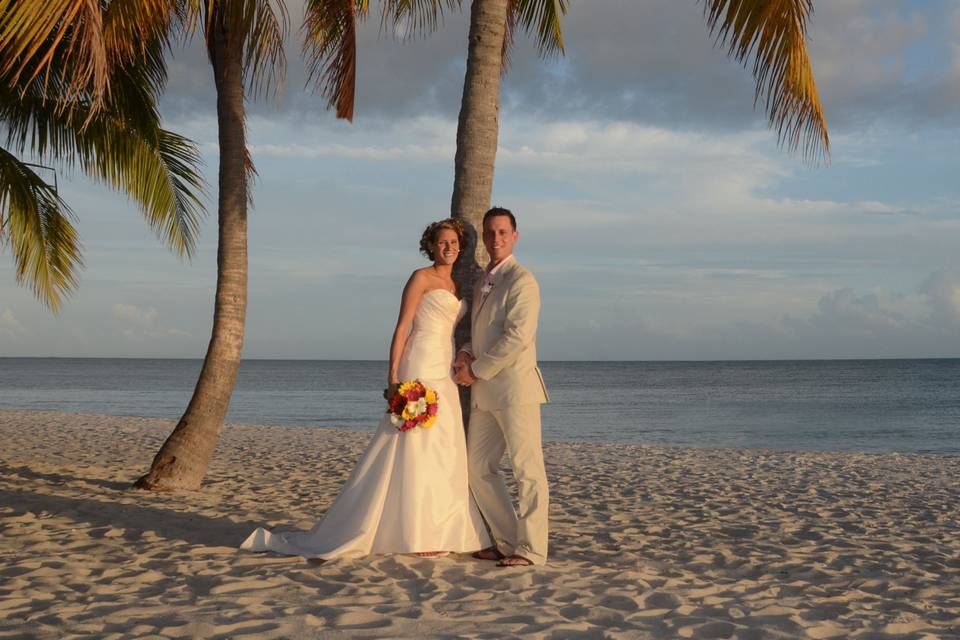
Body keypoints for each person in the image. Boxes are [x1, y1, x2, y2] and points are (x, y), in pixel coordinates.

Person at [241, 219, 490, 559]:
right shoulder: (421, 278)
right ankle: (413, 534)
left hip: (443, 368)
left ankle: (440, 529)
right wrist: (393, 379)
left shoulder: (458, 284)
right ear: (430, 246)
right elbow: (402, 327)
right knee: (413, 444)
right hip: (418, 364)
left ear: (460, 248)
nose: (448, 247)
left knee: (444, 447)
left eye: (454, 242)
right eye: (442, 242)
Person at [454, 207, 550, 567]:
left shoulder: (523, 280)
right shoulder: (483, 281)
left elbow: (516, 338)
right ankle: (508, 540)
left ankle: (533, 550)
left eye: (503, 232)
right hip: (484, 394)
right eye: (490, 233)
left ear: (515, 236)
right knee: (478, 467)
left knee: (528, 472)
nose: (496, 239)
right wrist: (465, 354)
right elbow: (480, 333)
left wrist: (476, 370)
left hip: (514, 390)